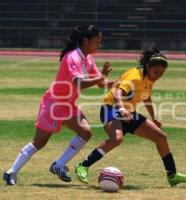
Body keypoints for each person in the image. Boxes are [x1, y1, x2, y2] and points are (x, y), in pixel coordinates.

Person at [3, 25, 114, 185]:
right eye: (97, 41)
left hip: (67, 104)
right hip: (54, 103)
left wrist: (119, 83)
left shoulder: (88, 58)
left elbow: (100, 83)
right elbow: (79, 83)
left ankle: (59, 164)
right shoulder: (72, 57)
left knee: (86, 132)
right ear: (85, 41)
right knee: (39, 142)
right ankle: (11, 172)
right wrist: (100, 78)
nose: (99, 45)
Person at [75, 47, 186, 187]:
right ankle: (83, 166)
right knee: (117, 139)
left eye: (161, 73)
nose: (157, 76)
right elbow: (117, 92)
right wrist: (121, 108)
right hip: (112, 108)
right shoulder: (135, 77)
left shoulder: (148, 77)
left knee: (161, 137)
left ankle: (172, 175)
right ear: (148, 66)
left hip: (129, 113)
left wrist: (154, 117)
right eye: (156, 72)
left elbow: (146, 96)